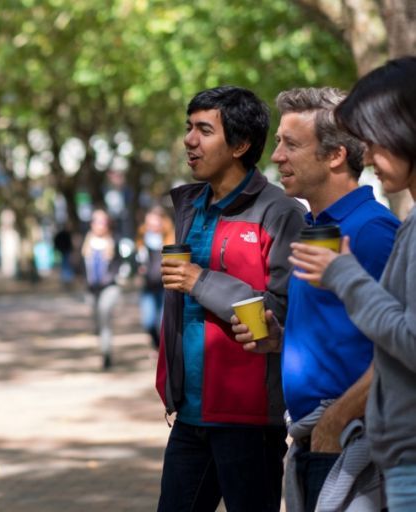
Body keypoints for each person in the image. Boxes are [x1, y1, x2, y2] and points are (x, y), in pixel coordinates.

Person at [233, 87, 398, 511]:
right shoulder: (314, 227)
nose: (276, 157)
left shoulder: (372, 231)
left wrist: (336, 421)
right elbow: (351, 330)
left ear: (335, 156)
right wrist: (282, 339)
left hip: (348, 440)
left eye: (291, 144)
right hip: (316, 440)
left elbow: (401, 347)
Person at [156, 85, 307, 512]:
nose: (189, 140)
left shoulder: (280, 213)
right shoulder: (189, 206)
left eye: (204, 130)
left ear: (240, 145)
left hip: (249, 420)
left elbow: (282, 312)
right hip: (189, 416)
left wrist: (201, 280)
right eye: (189, 128)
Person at [289, 56, 416, 512]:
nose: (368, 154)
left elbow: (407, 340)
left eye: (374, 139)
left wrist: (337, 418)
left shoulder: (375, 229)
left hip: (376, 448)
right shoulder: (404, 223)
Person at [81, 208, 122, 370]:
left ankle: (106, 354)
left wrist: (111, 277)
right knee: (97, 322)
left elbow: (119, 264)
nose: (99, 225)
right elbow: (79, 267)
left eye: (102, 222)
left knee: (104, 315)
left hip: (109, 288)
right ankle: (103, 345)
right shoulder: (85, 244)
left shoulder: (114, 242)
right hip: (91, 290)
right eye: (96, 221)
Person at [135, 205, 175, 349]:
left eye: (154, 223)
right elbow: (138, 260)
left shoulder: (170, 240)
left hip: (166, 287)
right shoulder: (142, 239)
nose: (151, 226)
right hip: (148, 287)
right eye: (149, 223)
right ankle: (158, 346)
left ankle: (163, 351)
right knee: (148, 322)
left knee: (163, 323)